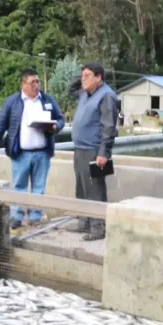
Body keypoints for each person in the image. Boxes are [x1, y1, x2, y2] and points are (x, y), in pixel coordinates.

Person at [0, 69, 65, 229]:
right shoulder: (12, 102)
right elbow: (1, 122)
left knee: (39, 187)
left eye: (38, 82)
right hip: (20, 152)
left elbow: (60, 119)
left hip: (42, 152)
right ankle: (17, 216)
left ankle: (35, 217)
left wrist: (56, 126)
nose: (36, 85)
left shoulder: (46, 100)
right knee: (19, 186)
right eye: (32, 82)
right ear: (23, 84)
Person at [66, 63, 118, 241]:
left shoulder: (106, 96)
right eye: (82, 76)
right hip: (80, 149)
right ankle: (84, 222)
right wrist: (82, 75)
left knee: (95, 189)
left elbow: (109, 127)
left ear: (99, 77)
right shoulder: (85, 93)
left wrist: (104, 153)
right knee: (81, 188)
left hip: (95, 150)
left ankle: (98, 227)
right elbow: (69, 89)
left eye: (87, 75)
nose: (83, 79)